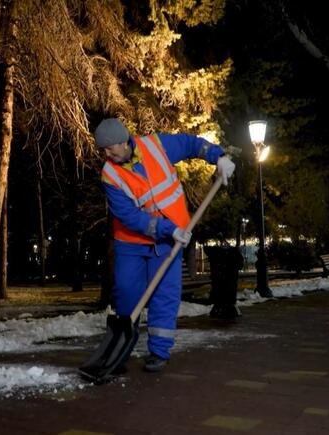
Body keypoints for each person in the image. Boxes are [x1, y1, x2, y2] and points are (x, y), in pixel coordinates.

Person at [95, 117, 235, 372]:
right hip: (132, 244)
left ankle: (158, 352)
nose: (106, 154)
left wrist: (219, 157)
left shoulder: (156, 146)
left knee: (165, 295)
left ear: (122, 141)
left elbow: (191, 144)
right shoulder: (110, 175)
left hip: (171, 240)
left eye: (109, 148)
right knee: (126, 293)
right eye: (102, 150)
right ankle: (122, 348)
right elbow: (129, 216)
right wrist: (168, 229)